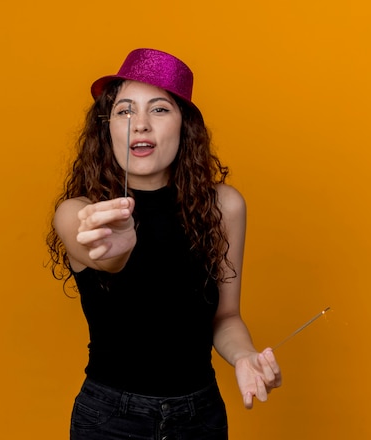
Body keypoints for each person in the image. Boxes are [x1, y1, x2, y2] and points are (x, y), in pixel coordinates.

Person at [46, 48, 282, 440]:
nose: (140, 125)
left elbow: (225, 318)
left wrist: (244, 357)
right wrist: (117, 248)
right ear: (107, 128)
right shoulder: (79, 212)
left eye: (159, 109)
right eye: (124, 111)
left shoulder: (224, 206)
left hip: (200, 416)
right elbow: (103, 258)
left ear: (184, 126)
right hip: (110, 419)